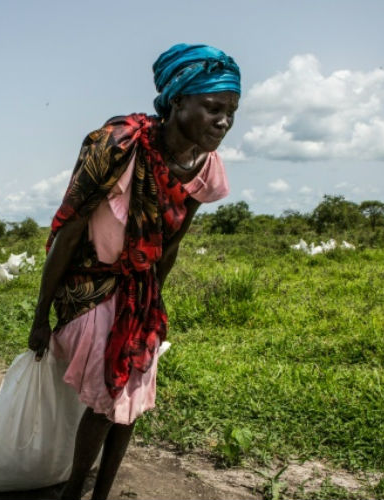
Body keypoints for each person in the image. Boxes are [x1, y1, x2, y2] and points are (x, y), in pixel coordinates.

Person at [28, 43, 240, 500]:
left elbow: (173, 243)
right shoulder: (117, 144)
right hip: (87, 285)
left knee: (131, 403)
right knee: (113, 396)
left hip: (139, 291)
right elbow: (69, 229)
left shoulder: (204, 166)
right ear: (178, 100)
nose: (224, 121)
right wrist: (41, 314)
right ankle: (74, 495)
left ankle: (98, 494)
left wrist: (150, 307)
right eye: (213, 107)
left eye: (231, 111)